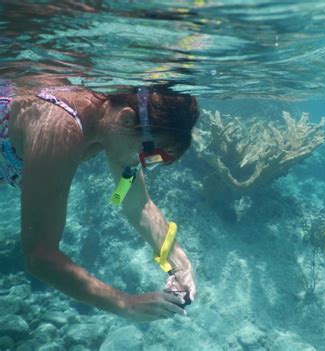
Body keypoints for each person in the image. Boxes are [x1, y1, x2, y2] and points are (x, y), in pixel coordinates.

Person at [0, 82, 198, 321]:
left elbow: (138, 204)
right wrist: (125, 304)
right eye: (149, 154)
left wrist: (178, 261)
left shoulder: (112, 125)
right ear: (126, 119)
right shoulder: (61, 129)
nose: (142, 162)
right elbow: (39, 255)